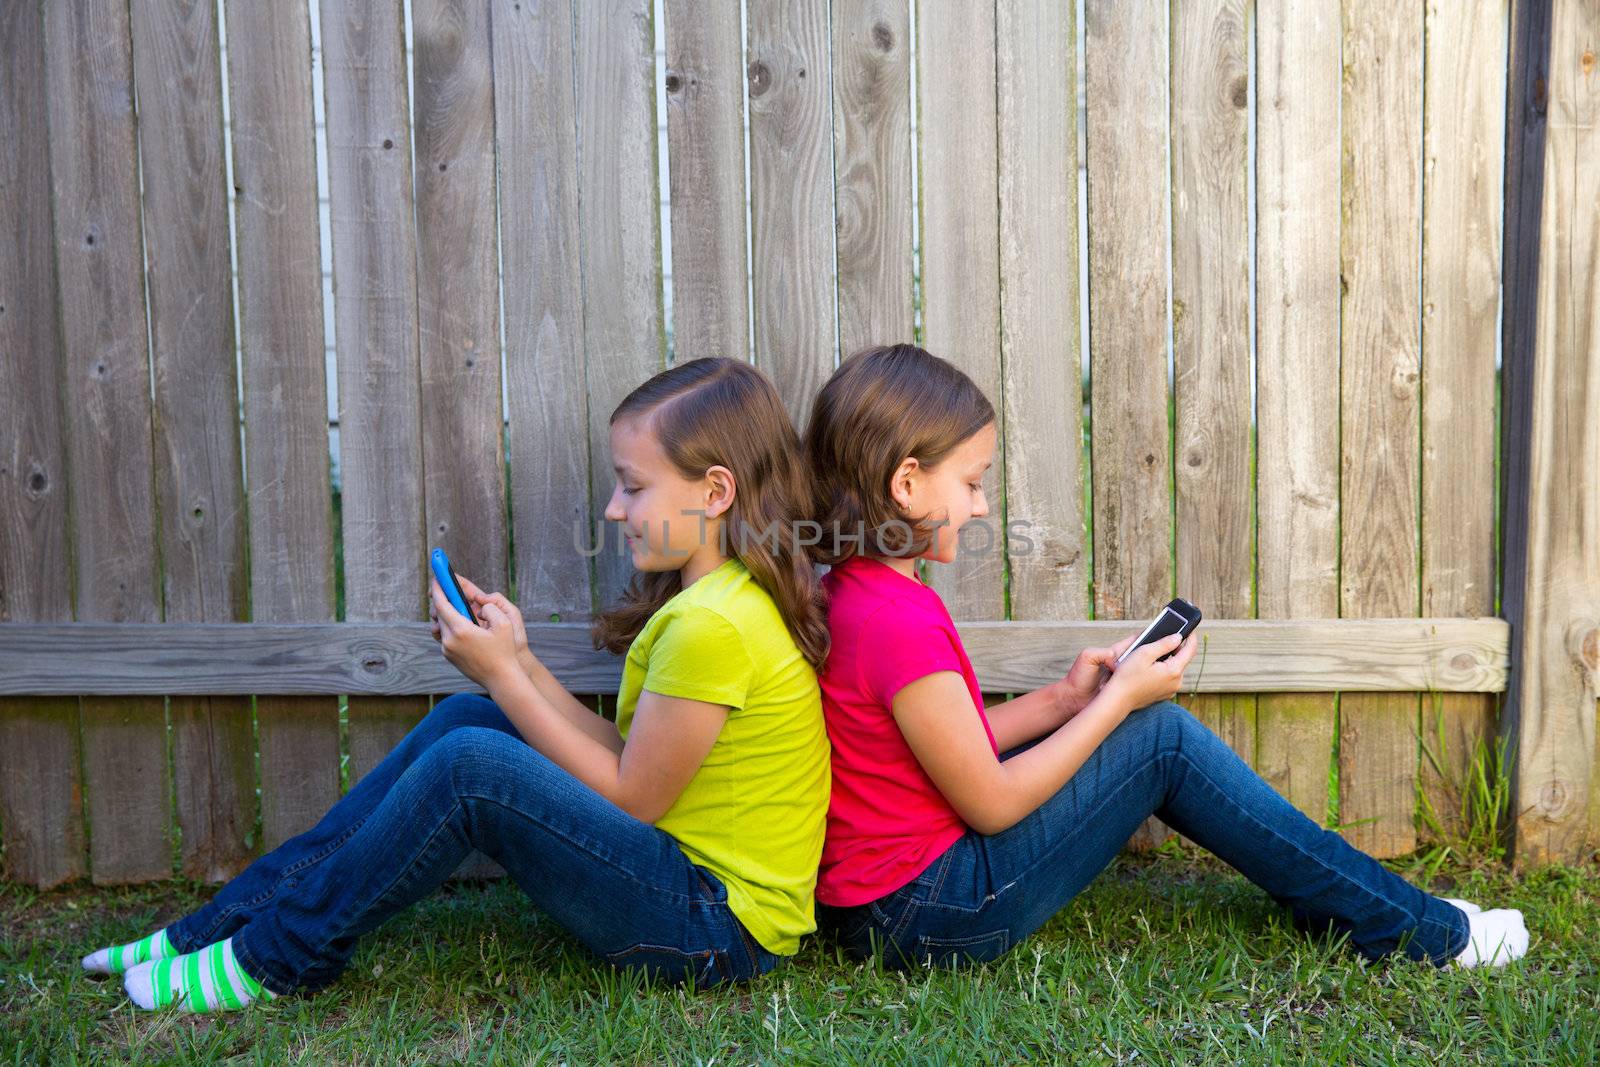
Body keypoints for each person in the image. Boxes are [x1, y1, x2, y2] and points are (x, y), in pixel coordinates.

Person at [81, 357, 832, 1011]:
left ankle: (277, 955)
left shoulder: (717, 626)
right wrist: (521, 664)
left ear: (715, 491)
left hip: (718, 929)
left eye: (632, 486)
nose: (613, 508)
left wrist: (507, 673)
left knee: (472, 767)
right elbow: (627, 753)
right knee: (471, 717)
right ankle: (214, 926)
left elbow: (634, 796)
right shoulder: (714, 602)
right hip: (686, 883)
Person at [801, 343, 1528, 972]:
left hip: (884, 908)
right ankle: (1421, 930)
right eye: (970, 482)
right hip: (932, 914)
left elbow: (940, 750)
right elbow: (988, 802)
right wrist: (1121, 703)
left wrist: (1067, 698)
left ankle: (1349, 899)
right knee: (1163, 741)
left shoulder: (856, 594)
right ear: (905, 483)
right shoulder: (898, 621)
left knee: (1151, 732)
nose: (982, 505)